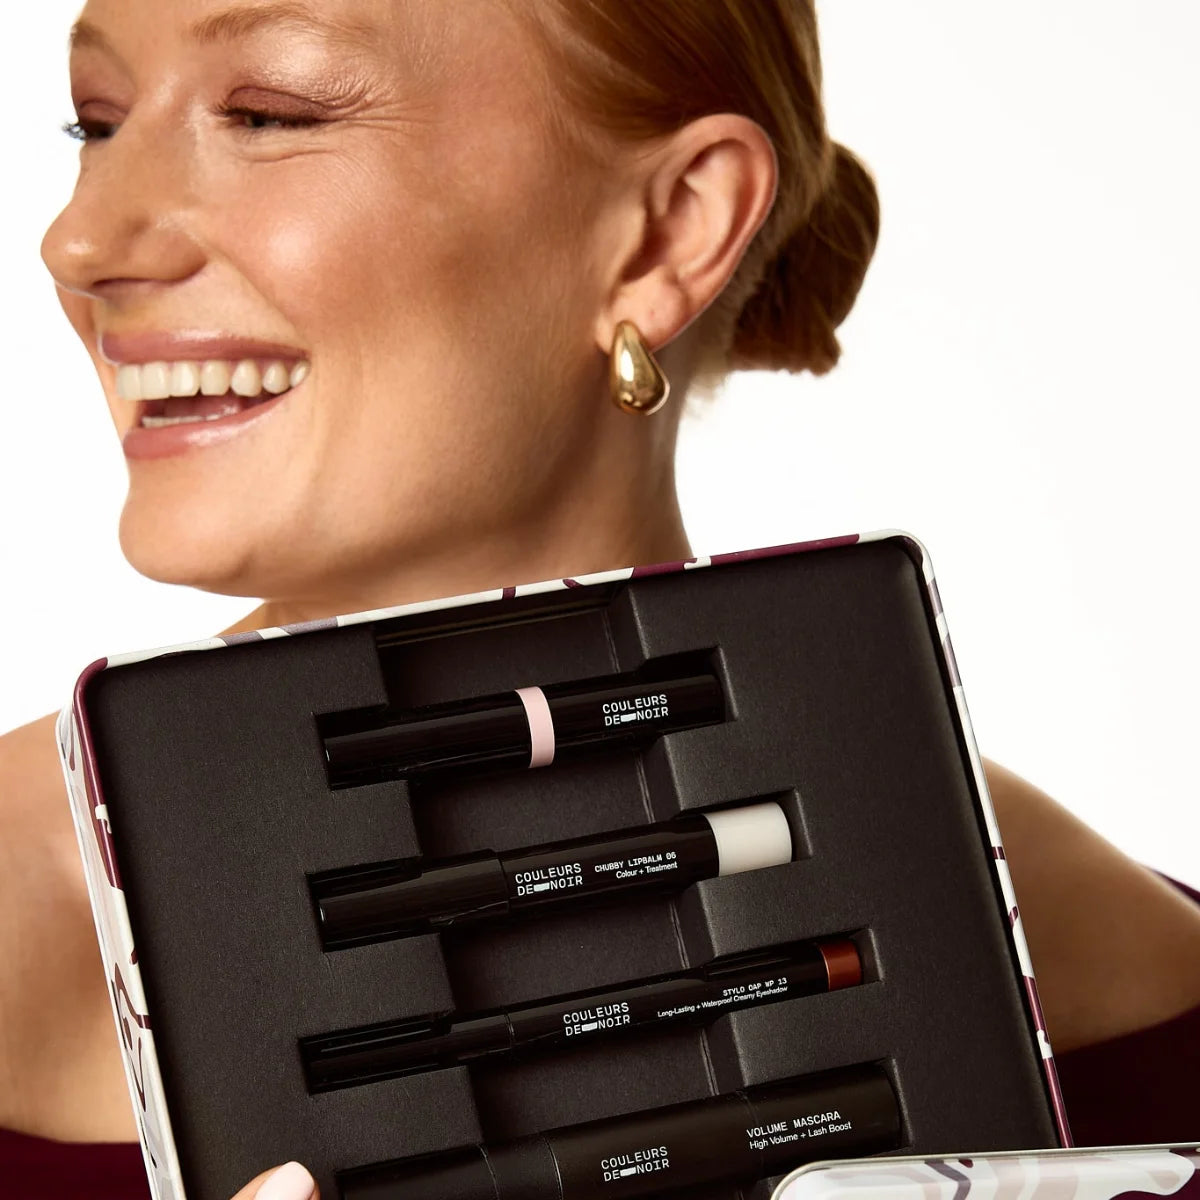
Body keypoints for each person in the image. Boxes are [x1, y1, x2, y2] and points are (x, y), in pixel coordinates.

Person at [4, 1, 1199, 1197]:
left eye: (266, 113)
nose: (79, 240)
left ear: (669, 231)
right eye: (96, 123)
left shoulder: (1102, 952)